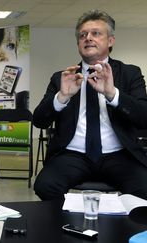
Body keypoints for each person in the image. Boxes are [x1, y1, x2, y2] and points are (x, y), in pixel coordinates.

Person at [33, 9, 147, 200]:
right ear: (78, 43)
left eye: (96, 33)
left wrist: (113, 94)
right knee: (46, 186)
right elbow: (39, 121)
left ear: (110, 41)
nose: (88, 38)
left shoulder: (130, 74)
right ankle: (68, 226)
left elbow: (144, 117)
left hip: (119, 154)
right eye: (83, 35)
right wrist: (62, 97)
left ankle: (123, 229)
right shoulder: (63, 77)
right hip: (72, 155)